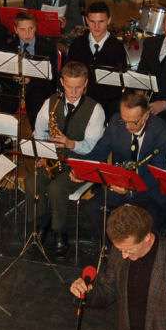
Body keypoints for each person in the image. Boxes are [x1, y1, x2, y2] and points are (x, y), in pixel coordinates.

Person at [33, 61, 106, 257]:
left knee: (56, 188)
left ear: (86, 84)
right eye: (69, 86)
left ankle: (60, 232)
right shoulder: (51, 102)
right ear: (62, 82)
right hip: (53, 159)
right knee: (34, 181)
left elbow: (91, 147)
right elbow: (39, 131)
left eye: (78, 87)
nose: (73, 92)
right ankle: (42, 222)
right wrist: (43, 153)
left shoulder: (96, 110)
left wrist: (69, 142)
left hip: (80, 163)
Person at [82, 90, 166, 231]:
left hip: (149, 192)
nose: (127, 126)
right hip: (120, 187)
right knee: (92, 209)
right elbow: (99, 151)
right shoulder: (116, 122)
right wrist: (82, 170)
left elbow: (157, 174)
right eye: (125, 120)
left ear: (146, 115)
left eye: (134, 122)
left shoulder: (161, 132)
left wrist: (129, 187)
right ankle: (111, 243)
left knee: (142, 225)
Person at [66, 1, 128, 119]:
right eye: (92, 22)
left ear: (109, 20)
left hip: (107, 102)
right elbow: (68, 71)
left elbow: (120, 82)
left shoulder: (117, 47)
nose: (96, 27)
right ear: (86, 20)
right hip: (79, 98)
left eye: (101, 22)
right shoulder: (77, 44)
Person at [6, 11, 58, 121]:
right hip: (14, 86)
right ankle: (4, 131)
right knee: (4, 105)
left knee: (36, 106)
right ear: (15, 29)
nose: (27, 33)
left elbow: (53, 76)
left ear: (36, 27)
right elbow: (2, 73)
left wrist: (31, 79)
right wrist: (13, 76)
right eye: (22, 29)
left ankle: (37, 130)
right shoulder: (8, 45)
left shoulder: (48, 47)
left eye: (31, 28)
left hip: (39, 87)